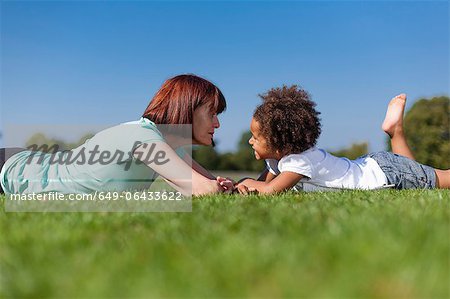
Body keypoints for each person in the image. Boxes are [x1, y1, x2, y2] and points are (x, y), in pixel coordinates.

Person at [0, 74, 233, 196]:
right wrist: (218, 187)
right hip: (9, 168)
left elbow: (205, 185)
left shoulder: (171, 147)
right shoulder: (143, 138)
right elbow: (202, 189)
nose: (217, 123)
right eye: (212, 113)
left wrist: (223, 186)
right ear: (187, 108)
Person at [236, 86, 450, 194]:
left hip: (385, 174)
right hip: (375, 165)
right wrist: (241, 187)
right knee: (417, 172)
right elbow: (262, 183)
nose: (250, 142)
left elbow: (268, 191)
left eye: (256, 137)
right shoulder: (280, 159)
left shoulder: (298, 162)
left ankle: (396, 132)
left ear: (279, 143)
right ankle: (396, 131)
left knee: (441, 181)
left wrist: (242, 185)